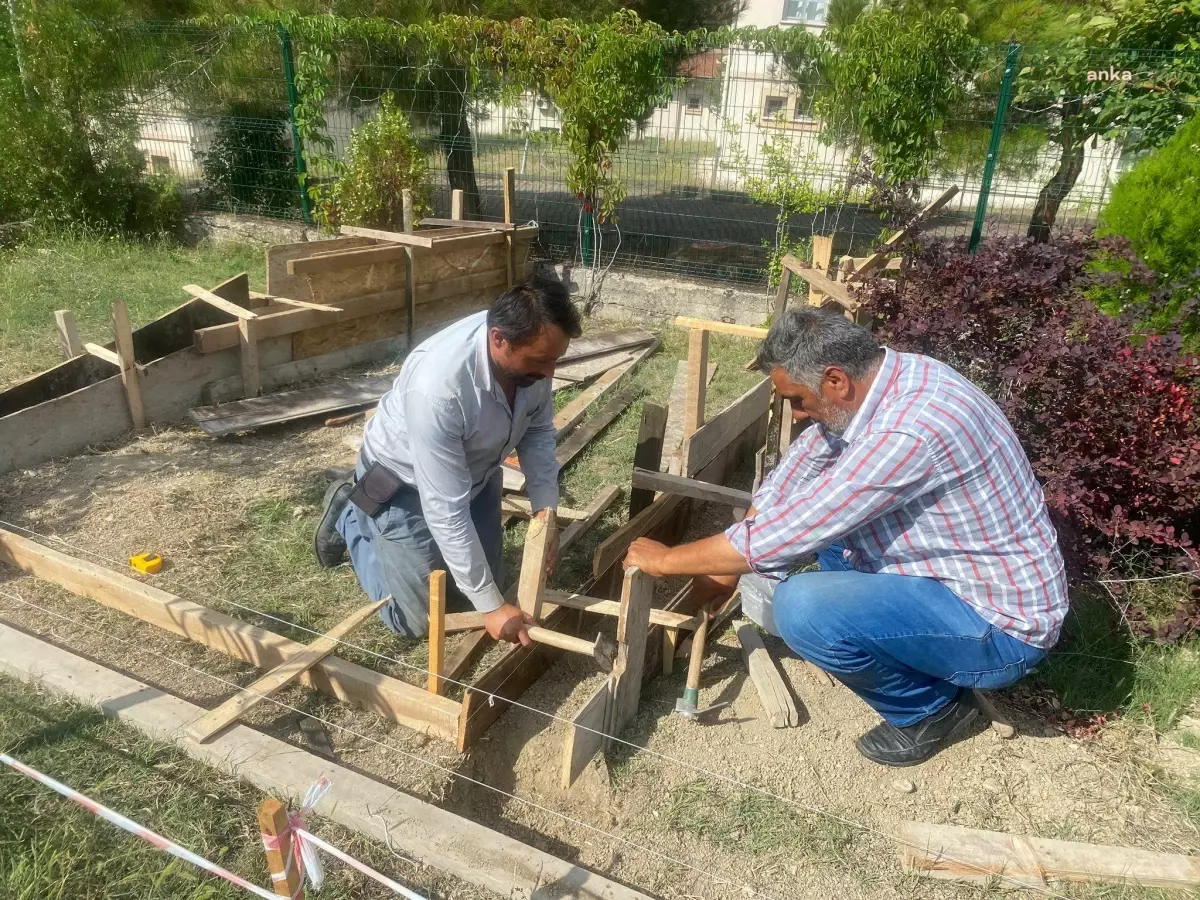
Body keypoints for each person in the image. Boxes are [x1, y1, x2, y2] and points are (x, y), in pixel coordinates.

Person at [624, 308, 1068, 767]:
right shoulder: (890, 379)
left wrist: (666, 561)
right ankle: (919, 655)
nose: (796, 415)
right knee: (825, 537)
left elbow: (786, 535)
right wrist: (721, 570)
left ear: (835, 380)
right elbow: (801, 473)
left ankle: (930, 711)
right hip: (956, 580)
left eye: (797, 399)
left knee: (804, 607)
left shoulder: (909, 430)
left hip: (999, 629)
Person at [315, 274, 582, 646]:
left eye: (556, 360)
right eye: (541, 361)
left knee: (472, 592)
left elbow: (537, 433)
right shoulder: (439, 388)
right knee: (422, 620)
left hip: (477, 472)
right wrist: (490, 607)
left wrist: (545, 511)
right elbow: (446, 509)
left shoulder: (532, 355)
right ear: (498, 340)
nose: (550, 374)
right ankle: (351, 517)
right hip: (401, 483)